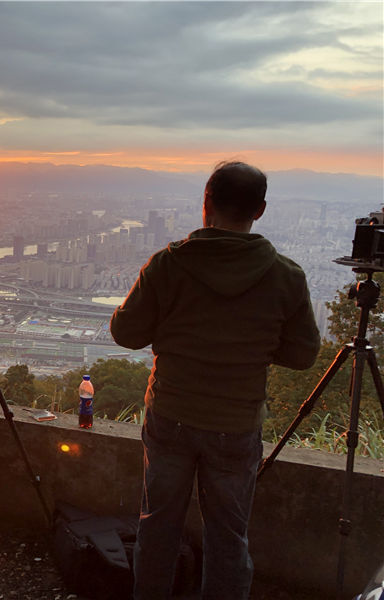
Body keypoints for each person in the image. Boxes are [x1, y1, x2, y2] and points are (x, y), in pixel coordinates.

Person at [110, 161, 321, 599]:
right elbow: (303, 355)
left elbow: (125, 333)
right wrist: (254, 348)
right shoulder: (286, 275)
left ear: (205, 203)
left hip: (171, 414)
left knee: (157, 528)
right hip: (236, 422)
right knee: (229, 537)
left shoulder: (168, 264)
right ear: (259, 210)